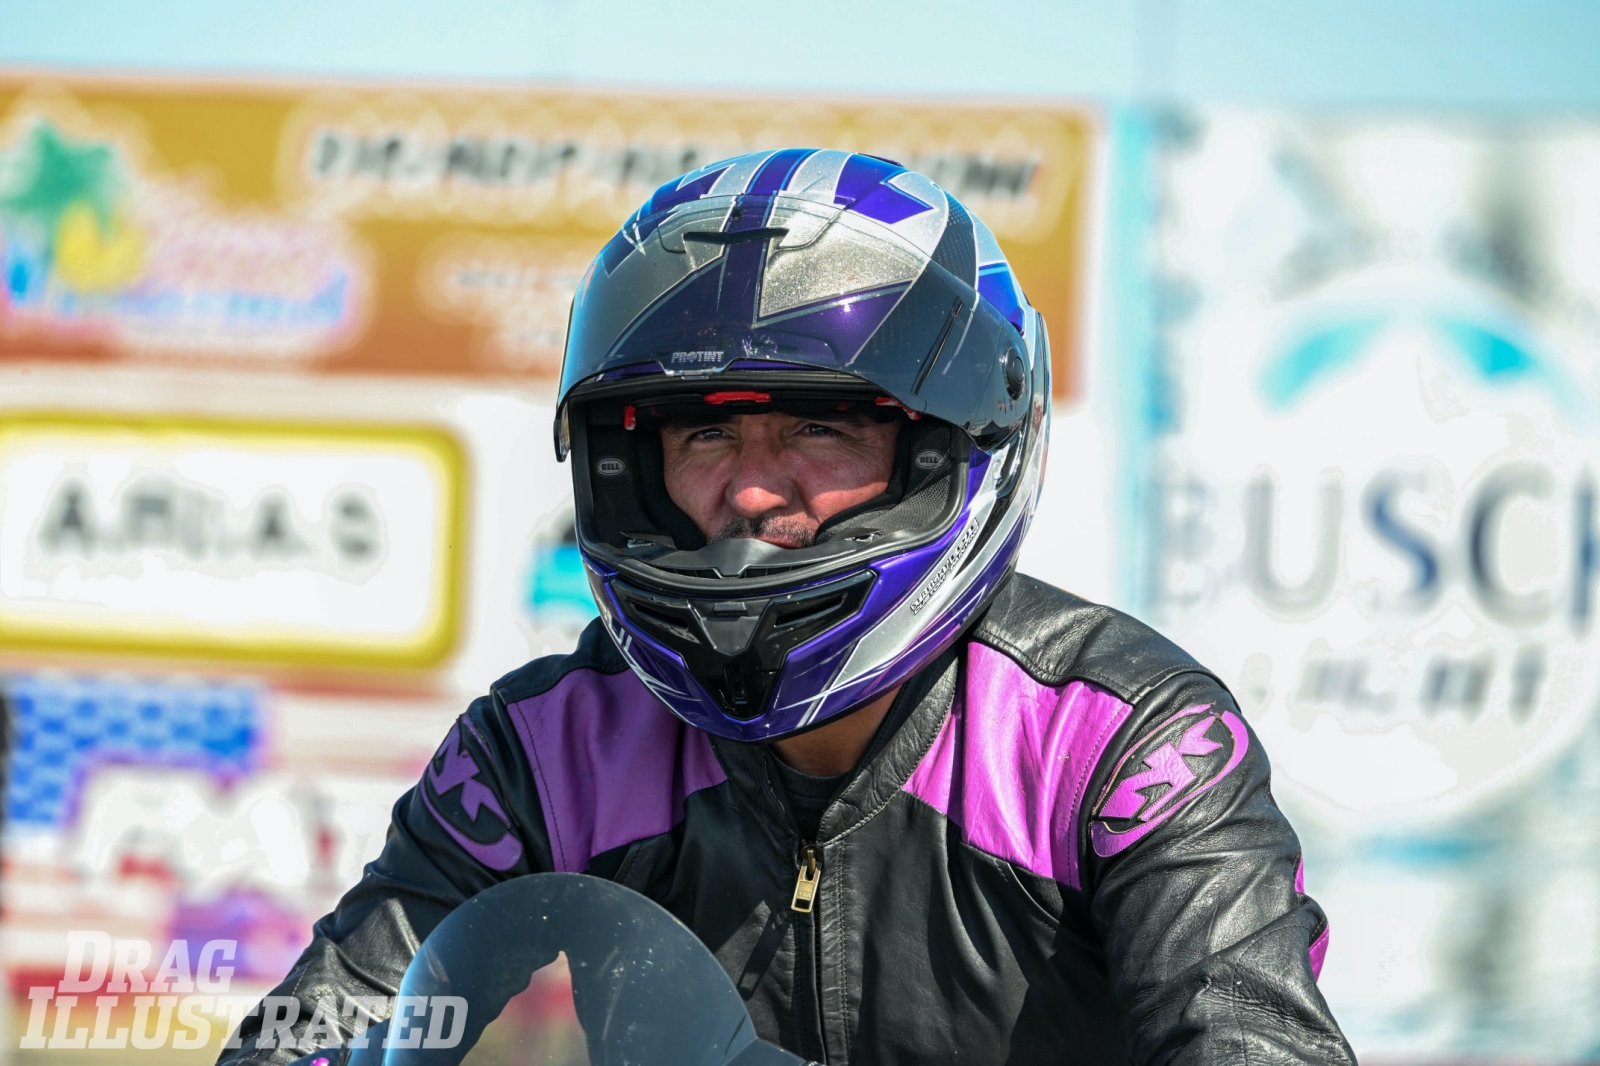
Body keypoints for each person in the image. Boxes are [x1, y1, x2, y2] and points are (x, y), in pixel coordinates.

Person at [219, 150, 1354, 1065]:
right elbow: (321, 1026)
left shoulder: (1118, 741)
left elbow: (1251, 1039)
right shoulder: (548, 746)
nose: (753, 491)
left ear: (949, 450)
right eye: (705, 433)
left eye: (819, 427)